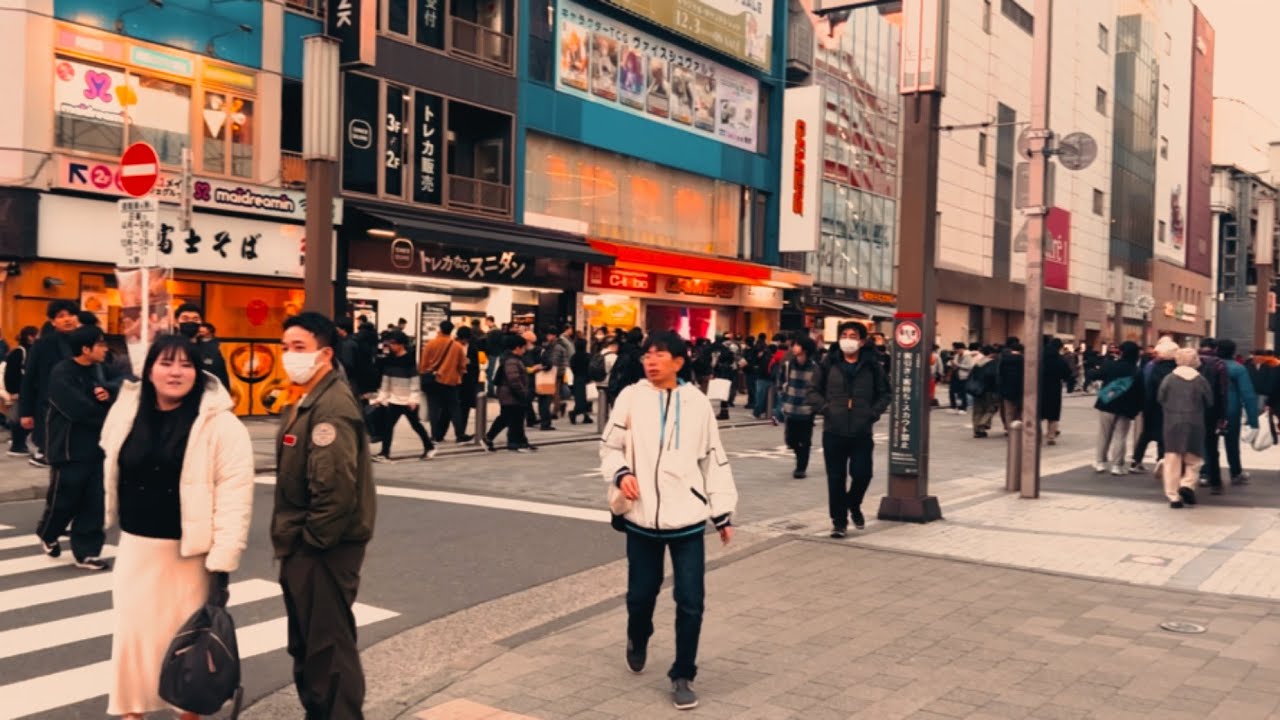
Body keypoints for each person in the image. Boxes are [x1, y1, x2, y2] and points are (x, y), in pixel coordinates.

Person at [101, 335, 254, 719]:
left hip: (189, 556)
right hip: (136, 549)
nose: (176, 372)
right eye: (166, 363)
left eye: (186, 364)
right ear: (149, 369)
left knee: (188, 652)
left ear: (198, 371)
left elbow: (236, 492)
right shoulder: (127, 411)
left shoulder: (220, 424)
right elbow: (108, 460)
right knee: (132, 646)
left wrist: (223, 557)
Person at [601, 331, 737, 711]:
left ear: (679, 360)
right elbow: (609, 447)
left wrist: (722, 511)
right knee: (641, 595)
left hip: (688, 520)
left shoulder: (697, 403)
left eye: (660, 354)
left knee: (691, 601)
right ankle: (638, 635)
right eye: (647, 355)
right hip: (641, 517)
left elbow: (713, 457)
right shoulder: (630, 397)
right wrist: (621, 472)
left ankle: (683, 674)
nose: (651, 361)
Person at [272, 312, 376, 719]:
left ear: (325, 353)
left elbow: (334, 489)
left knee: (327, 647)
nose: (289, 356)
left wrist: (311, 543)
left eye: (299, 348)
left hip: (322, 548)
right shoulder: (307, 396)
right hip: (308, 543)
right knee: (311, 642)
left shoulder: (329, 406)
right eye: (285, 348)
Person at [35, 324, 112, 569]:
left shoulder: (100, 371)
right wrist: (106, 414)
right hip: (68, 448)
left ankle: (87, 552)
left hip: (97, 447)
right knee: (64, 498)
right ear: (85, 348)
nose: (104, 349)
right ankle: (48, 533)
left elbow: (124, 382)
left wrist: (110, 392)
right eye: (100, 344)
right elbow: (77, 409)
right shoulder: (62, 372)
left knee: (94, 501)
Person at [806, 322, 890, 538]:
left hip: (862, 431)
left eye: (853, 336)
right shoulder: (828, 363)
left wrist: (872, 413)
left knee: (863, 474)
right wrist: (826, 409)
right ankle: (839, 522)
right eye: (844, 335)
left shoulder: (872, 365)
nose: (848, 339)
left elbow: (885, 393)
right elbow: (812, 391)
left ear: (862, 341)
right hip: (834, 430)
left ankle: (853, 503)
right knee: (835, 478)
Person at [20, 300, 80, 466]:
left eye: (71, 315)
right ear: (53, 321)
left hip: (81, 409)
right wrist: (26, 412)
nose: (67, 319)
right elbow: (29, 379)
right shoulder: (42, 345)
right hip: (50, 407)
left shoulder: (86, 341)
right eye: (61, 316)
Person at [1158, 348, 1213, 509]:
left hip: (1172, 422)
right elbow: (1209, 401)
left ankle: (1173, 496)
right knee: (1194, 460)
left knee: (1172, 460)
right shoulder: (1200, 380)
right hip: (1195, 422)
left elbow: (1160, 398)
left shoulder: (1169, 378)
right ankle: (1187, 485)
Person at [372, 330, 436, 462]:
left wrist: (413, 400)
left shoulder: (409, 360)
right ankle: (384, 453)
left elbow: (415, 382)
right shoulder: (389, 360)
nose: (391, 346)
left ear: (401, 345)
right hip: (394, 400)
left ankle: (429, 446)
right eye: (390, 343)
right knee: (388, 426)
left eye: (393, 344)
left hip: (408, 401)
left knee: (416, 425)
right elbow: (386, 382)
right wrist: (380, 398)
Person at [1092, 341, 1144, 475]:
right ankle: (1117, 465)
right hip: (1125, 407)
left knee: (1104, 434)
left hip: (1107, 403)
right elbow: (1141, 392)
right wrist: (1138, 408)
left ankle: (1100, 463)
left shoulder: (1111, 365)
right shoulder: (1136, 370)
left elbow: (1096, 375)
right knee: (1120, 436)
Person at [1216, 339, 1260, 486]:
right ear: (1233, 352)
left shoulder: (1209, 366)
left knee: (1209, 442)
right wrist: (1253, 420)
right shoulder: (1238, 368)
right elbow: (1248, 394)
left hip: (1211, 409)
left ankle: (1206, 472)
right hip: (1231, 410)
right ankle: (1235, 473)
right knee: (1232, 443)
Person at [483, 333, 536, 453]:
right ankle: (491, 438)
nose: (525, 350)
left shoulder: (512, 359)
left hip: (510, 394)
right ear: (517, 348)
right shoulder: (511, 361)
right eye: (523, 347)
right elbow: (514, 380)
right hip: (510, 395)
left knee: (514, 418)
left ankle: (519, 442)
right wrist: (522, 393)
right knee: (507, 418)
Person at [418, 320, 468, 443]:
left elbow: (423, 365)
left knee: (434, 408)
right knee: (454, 408)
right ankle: (460, 434)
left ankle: (435, 435)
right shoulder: (457, 346)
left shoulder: (431, 344)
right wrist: (457, 374)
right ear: (452, 331)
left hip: (433, 381)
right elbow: (462, 366)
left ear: (440, 329)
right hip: (450, 382)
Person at [1134, 338, 1178, 473]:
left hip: (1150, 405)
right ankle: (1161, 460)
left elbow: (1145, 385)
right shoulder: (1176, 370)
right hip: (1168, 407)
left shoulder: (1151, 367)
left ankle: (1136, 460)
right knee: (1165, 435)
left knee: (1146, 434)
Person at [778, 337, 818, 478]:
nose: (793, 347)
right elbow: (781, 382)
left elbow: (819, 388)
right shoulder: (789, 365)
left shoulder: (815, 368)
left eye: (797, 345)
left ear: (805, 349)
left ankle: (801, 468)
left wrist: (814, 405)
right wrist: (783, 399)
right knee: (791, 440)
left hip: (807, 410)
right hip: (790, 408)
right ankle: (799, 454)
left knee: (804, 441)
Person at [1196, 338, 1229, 494]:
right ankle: (1215, 481)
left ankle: (1189, 479)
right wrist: (1222, 416)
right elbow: (1222, 391)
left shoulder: (1190, 360)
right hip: (1212, 410)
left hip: (1191, 409)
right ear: (1215, 348)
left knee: (1189, 446)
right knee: (1211, 446)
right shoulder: (1219, 364)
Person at [174, 303, 230, 390]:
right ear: (176, 322)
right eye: (185, 318)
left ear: (201, 324)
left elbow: (222, 381)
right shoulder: (168, 349)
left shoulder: (212, 350)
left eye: (195, 319)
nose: (190, 322)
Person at [5, 326, 38, 456]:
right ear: (30, 336)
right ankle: (17, 445)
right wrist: (13, 391)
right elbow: (10, 374)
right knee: (19, 418)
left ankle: (19, 444)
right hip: (20, 391)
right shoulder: (19, 352)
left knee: (24, 417)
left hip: (26, 390)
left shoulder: (32, 351)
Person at [1040, 337, 1071, 445]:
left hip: (1039, 387)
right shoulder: (1060, 359)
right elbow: (1067, 373)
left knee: (1038, 413)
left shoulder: (1039, 356)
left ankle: (1036, 435)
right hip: (1054, 388)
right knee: (1053, 414)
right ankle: (1050, 437)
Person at [969, 346, 1001, 438]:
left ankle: (977, 431)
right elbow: (994, 378)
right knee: (991, 409)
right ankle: (982, 423)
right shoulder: (993, 364)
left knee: (977, 411)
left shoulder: (978, 363)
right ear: (992, 353)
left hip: (976, 390)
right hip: (989, 390)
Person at [456, 326, 481, 439]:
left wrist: (469, 364)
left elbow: (476, 367)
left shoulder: (472, 348)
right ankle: (438, 434)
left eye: (466, 339)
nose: (464, 342)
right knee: (450, 408)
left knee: (465, 407)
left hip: (467, 381)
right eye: (462, 339)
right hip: (455, 380)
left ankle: (461, 432)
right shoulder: (453, 346)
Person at [997, 339, 1025, 432]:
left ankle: (1009, 429)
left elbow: (999, 373)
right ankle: (1018, 426)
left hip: (1006, 388)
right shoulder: (1023, 359)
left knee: (1008, 411)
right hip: (1021, 388)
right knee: (1020, 409)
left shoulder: (1003, 359)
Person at [568, 337, 593, 424]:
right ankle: (573, 413)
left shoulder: (573, 357)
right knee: (583, 400)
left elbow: (572, 367)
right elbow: (590, 367)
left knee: (580, 399)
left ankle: (585, 416)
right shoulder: (588, 356)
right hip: (586, 379)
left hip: (577, 378)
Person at [948, 341, 973, 414]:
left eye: (956, 349)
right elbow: (953, 365)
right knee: (952, 390)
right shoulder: (956, 355)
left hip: (963, 376)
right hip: (955, 374)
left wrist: (957, 365)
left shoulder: (967, 356)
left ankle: (963, 407)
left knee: (962, 392)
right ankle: (953, 406)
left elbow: (969, 367)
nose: (955, 351)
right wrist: (952, 364)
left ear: (961, 349)